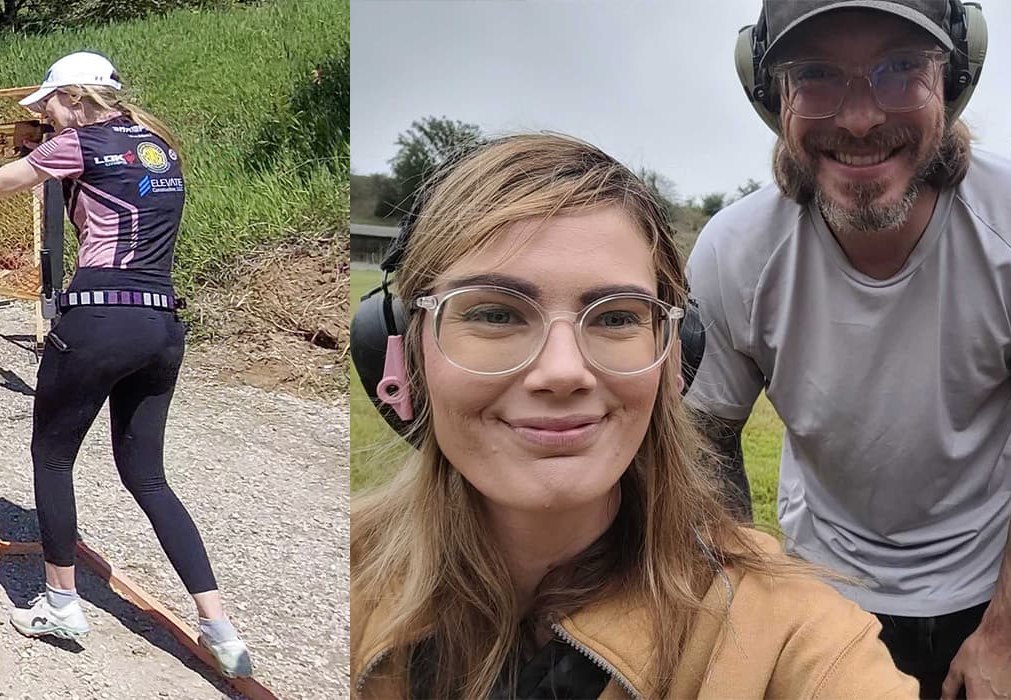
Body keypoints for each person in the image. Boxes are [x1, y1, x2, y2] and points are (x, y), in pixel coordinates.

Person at [349, 132, 916, 699]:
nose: (563, 371)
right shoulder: (344, 566)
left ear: (673, 359)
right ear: (403, 349)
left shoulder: (793, 638)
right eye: (495, 313)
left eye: (617, 318)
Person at [688, 1, 1011, 697]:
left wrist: (1005, 634)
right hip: (820, 591)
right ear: (772, 95)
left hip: (993, 592)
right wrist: (755, 603)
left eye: (899, 68)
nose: (859, 118)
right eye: (817, 74)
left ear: (953, 74)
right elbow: (704, 442)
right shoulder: (735, 255)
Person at [0, 51, 252, 678]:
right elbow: (107, 182)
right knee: (149, 477)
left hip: (99, 316)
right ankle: (220, 626)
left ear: (76, 99)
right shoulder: (159, 144)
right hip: (161, 322)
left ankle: (61, 602)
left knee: (53, 457)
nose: (45, 114)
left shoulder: (78, 143)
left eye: (50, 104)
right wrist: (52, 147)